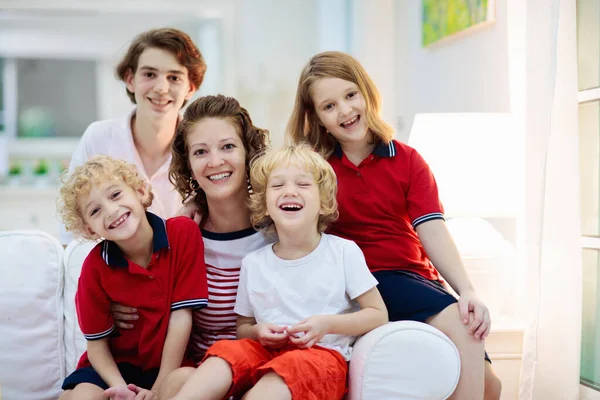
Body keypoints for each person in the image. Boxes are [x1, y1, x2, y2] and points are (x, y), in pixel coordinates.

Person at [287, 51, 502, 400]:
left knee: (492, 386)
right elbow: (271, 197)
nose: (344, 111)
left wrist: (468, 291)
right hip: (362, 280)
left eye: (350, 95)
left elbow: (431, 230)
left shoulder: (407, 159)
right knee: (466, 331)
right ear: (317, 118)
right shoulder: (313, 168)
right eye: (329, 106)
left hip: (413, 277)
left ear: (367, 93)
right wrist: (199, 202)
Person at [169, 144, 388, 400]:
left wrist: (327, 324)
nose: (289, 191)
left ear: (323, 202)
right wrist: (258, 332)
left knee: (278, 378)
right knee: (225, 354)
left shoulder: (343, 252)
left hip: (320, 356)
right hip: (263, 352)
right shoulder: (254, 262)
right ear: (264, 205)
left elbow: (378, 314)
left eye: (303, 185)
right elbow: (244, 328)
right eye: (278, 186)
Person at [56, 155, 209, 400]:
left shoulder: (182, 234)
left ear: (139, 191)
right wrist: (121, 389)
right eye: (95, 211)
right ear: (89, 229)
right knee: (78, 396)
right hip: (113, 370)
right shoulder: (94, 267)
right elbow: (96, 345)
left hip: (169, 366)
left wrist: (157, 390)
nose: (111, 210)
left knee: (189, 382)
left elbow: (181, 318)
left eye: (115, 195)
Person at [60, 27, 206, 245]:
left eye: (174, 77)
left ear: (190, 88)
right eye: (149, 74)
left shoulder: (203, 147)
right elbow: (74, 231)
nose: (161, 88)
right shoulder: (98, 138)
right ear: (130, 79)